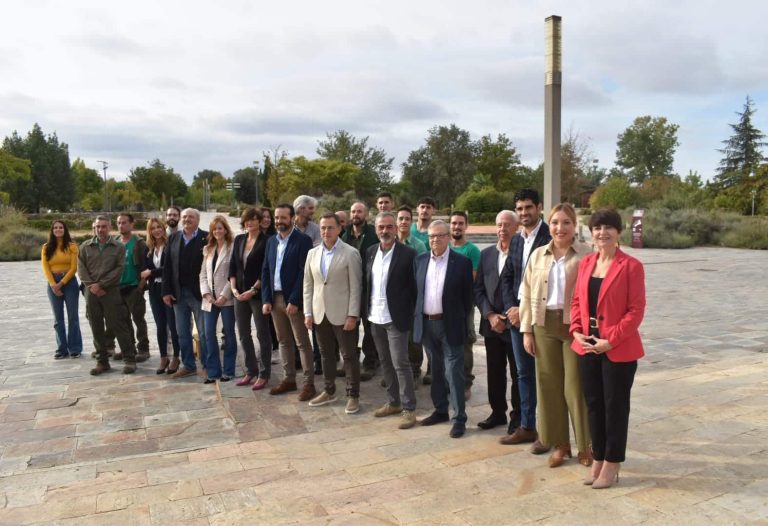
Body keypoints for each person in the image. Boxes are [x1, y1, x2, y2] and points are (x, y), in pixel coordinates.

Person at [570, 208, 646, 489]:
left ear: (618, 232)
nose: (602, 233)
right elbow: (577, 301)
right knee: (593, 405)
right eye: (597, 228)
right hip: (587, 346)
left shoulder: (631, 267)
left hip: (618, 349)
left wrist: (610, 339)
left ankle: (613, 463)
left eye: (608, 228)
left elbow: (636, 311)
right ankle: (598, 457)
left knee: (615, 407)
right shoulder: (586, 263)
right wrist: (576, 331)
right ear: (591, 232)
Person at [520, 204, 592, 468]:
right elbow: (526, 294)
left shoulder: (586, 255)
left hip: (575, 327)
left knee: (575, 388)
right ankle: (561, 445)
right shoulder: (538, 255)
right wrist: (526, 331)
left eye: (566, 223)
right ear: (548, 225)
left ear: (574, 226)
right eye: (555, 223)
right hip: (543, 326)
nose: (560, 228)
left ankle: (586, 446)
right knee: (549, 388)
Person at [500, 189, 552, 452]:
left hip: (542, 320)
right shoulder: (518, 240)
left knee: (546, 376)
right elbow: (507, 276)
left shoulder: (550, 237)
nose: (524, 213)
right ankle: (527, 426)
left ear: (539, 207)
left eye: (528, 207)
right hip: (517, 321)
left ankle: (550, 432)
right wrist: (511, 307)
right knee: (523, 375)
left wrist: (524, 310)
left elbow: (550, 283)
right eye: (519, 209)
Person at [413, 220, 474, 438]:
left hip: (451, 325)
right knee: (436, 368)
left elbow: (468, 300)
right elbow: (417, 294)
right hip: (428, 324)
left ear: (448, 237)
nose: (435, 240)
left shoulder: (462, 263)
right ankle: (440, 410)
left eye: (440, 235)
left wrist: (459, 321)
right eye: (431, 236)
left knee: (453, 371)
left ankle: (459, 418)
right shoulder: (419, 261)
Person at [303, 212, 363, 414]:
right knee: (326, 355)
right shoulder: (312, 254)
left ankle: (352, 395)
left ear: (339, 229)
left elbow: (356, 287)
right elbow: (308, 286)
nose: (326, 231)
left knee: (349, 356)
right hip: (320, 313)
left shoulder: (350, 253)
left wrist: (353, 314)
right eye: (323, 228)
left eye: (330, 227)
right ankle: (329, 391)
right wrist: (308, 312)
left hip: (343, 314)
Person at [365, 212, 418, 429]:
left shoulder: (408, 254)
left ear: (396, 229)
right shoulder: (369, 252)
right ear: (376, 229)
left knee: (400, 363)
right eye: (381, 227)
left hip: (396, 318)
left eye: (389, 227)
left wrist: (411, 314)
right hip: (375, 317)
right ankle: (393, 402)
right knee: (385, 362)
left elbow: (415, 288)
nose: (385, 231)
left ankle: (409, 408)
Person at [261, 204, 317, 401]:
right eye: (276, 217)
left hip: (293, 300)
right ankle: (289, 379)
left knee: (302, 342)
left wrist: (294, 299)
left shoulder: (303, 240)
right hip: (275, 299)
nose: (278, 221)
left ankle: (308, 384)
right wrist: (266, 298)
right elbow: (266, 270)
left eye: (283, 217)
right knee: (284, 341)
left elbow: (304, 272)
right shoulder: (271, 242)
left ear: (292, 218)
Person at [474, 210, 520, 433]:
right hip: (491, 325)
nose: (503, 229)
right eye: (499, 225)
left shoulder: (523, 254)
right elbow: (479, 289)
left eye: (507, 225)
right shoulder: (487, 255)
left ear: (516, 227)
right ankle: (497, 413)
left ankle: (518, 417)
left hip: (516, 325)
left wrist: (510, 317)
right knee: (494, 371)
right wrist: (490, 315)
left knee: (518, 374)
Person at [78, 216, 138, 375]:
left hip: (110, 292)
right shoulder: (85, 247)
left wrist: (102, 285)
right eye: (97, 226)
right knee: (96, 327)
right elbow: (81, 270)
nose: (100, 229)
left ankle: (130, 359)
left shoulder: (118, 247)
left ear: (109, 227)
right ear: (94, 227)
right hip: (91, 293)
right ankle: (102, 362)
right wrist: (93, 286)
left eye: (104, 226)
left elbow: (119, 269)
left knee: (118, 326)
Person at [162, 208, 208, 379]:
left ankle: (207, 365)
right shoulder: (173, 238)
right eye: (184, 217)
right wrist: (166, 291)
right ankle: (188, 365)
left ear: (198, 219)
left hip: (199, 294)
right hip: (178, 294)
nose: (187, 219)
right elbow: (167, 266)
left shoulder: (207, 237)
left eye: (191, 217)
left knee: (204, 332)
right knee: (182, 332)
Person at [230, 207, 272, 390]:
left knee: (262, 334)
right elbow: (233, 266)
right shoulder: (239, 240)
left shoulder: (268, 241)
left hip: (257, 295)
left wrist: (254, 290)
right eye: (247, 219)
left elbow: (267, 269)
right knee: (243, 334)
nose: (250, 222)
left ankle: (264, 373)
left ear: (260, 221)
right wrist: (233, 288)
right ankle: (250, 370)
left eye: (254, 219)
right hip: (239, 294)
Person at [341, 201, 380, 381]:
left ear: (366, 213)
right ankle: (352, 361)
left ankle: (371, 362)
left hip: (369, 288)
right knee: (350, 327)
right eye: (353, 211)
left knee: (370, 327)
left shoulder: (373, 234)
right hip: (348, 288)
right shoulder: (344, 233)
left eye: (359, 211)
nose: (356, 214)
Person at [141, 217, 181, 374]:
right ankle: (164, 356)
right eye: (153, 228)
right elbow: (144, 270)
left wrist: (152, 272)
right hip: (154, 289)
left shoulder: (170, 244)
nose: (156, 230)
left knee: (172, 324)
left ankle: (176, 356)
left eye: (159, 227)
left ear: (163, 229)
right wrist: (150, 273)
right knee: (160, 325)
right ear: (149, 231)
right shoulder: (148, 248)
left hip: (168, 289)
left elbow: (169, 268)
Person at [449, 211, 481, 400]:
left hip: (464, 305)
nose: (457, 227)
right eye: (454, 223)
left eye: (461, 223)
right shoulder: (444, 247)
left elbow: (472, 278)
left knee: (465, 344)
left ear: (466, 226)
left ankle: (466, 382)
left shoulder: (472, 251)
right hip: (444, 305)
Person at [199, 215, 236, 383]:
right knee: (208, 335)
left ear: (226, 230)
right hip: (209, 299)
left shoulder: (233, 247)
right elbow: (202, 275)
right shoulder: (208, 249)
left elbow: (234, 274)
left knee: (228, 334)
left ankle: (228, 371)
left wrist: (224, 295)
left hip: (226, 299)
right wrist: (206, 293)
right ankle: (213, 371)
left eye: (220, 228)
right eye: (214, 228)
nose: (217, 231)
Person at [111, 213, 150, 362]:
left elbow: (145, 266)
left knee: (138, 319)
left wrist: (140, 287)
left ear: (131, 224)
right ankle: (129, 348)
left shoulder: (139, 243)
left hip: (134, 287)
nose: (121, 225)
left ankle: (143, 349)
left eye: (124, 223)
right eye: (119, 223)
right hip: (118, 288)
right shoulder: (114, 242)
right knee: (123, 320)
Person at [41, 220, 82, 359]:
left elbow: (74, 267)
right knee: (58, 319)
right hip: (53, 283)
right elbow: (45, 268)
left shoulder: (72, 246)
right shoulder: (46, 247)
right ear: (52, 231)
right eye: (55, 228)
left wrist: (62, 283)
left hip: (69, 283)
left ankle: (75, 348)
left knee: (73, 317)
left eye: (61, 227)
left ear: (65, 230)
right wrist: (54, 284)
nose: (58, 230)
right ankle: (61, 349)